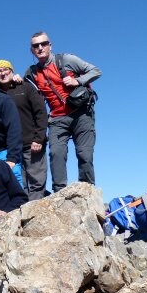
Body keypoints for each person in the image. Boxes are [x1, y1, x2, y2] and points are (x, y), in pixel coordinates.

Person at [25, 31, 102, 193]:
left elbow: (96, 71)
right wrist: (16, 78)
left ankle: (87, 192)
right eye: (35, 46)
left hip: (81, 114)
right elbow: (23, 88)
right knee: (56, 154)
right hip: (57, 119)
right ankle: (60, 193)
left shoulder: (66, 60)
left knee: (84, 155)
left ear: (50, 45)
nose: (40, 48)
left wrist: (77, 81)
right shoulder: (32, 73)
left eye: (43, 44)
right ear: (31, 50)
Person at [0, 60, 48, 200]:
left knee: (36, 182)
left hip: (32, 143)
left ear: (12, 71)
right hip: (10, 148)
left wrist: (39, 138)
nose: (3, 73)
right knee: (17, 184)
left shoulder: (26, 87)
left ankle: (36, 215)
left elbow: (41, 113)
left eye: (6, 70)